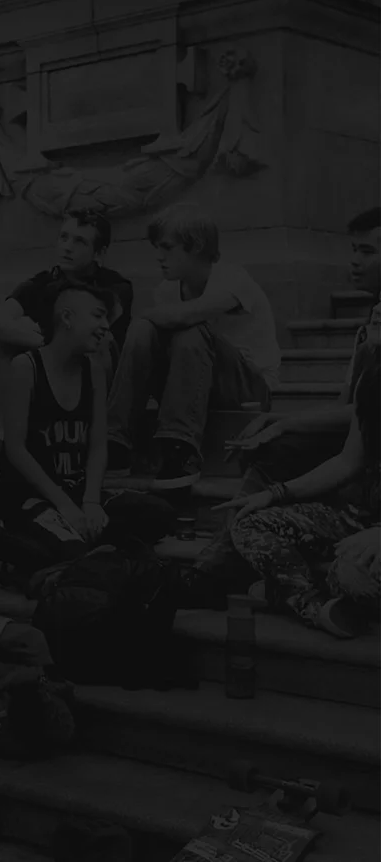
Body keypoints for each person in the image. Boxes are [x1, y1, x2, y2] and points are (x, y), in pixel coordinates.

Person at [108, 204, 280, 489]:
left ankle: (180, 448)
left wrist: (140, 319)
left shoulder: (233, 278)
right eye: (156, 247)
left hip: (248, 389)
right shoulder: (166, 290)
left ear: (196, 246)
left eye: (167, 247)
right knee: (143, 329)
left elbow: (187, 316)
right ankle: (115, 442)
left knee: (189, 328)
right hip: (193, 385)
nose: (158, 256)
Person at [0, 284, 171, 554]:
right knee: (70, 548)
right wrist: (64, 505)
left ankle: (93, 547)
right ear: (67, 318)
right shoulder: (25, 367)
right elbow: (16, 449)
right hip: (33, 496)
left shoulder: (94, 371)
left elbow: (98, 445)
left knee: (160, 515)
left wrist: (90, 502)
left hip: (78, 493)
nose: (105, 327)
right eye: (97, 316)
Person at [0, 209, 134, 470]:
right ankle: (3, 439)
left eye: (79, 241)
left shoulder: (116, 286)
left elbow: (92, 330)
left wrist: (35, 332)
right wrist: (38, 340)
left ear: (99, 253)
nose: (67, 247)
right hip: (53, 374)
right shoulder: (42, 282)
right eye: (64, 237)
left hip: (98, 382)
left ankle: (92, 441)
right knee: (1, 342)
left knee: (98, 343)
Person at [215, 357, 380, 639]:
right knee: (249, 523)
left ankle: (283, 592)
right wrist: (275, 493)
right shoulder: (374, 376)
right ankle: (312, 604)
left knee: (351, 577)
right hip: (358, 522)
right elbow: (346, 462)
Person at [226, 209, 380, 482]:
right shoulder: (369, 325)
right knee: (263, 447)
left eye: (367, 252)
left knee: (276, 452)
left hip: (369, 451)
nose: (355, 261)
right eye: (355, 249)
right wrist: (274, 420)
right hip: (357, 440)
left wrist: (284, 424)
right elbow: (344, 405)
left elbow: (362, 413)